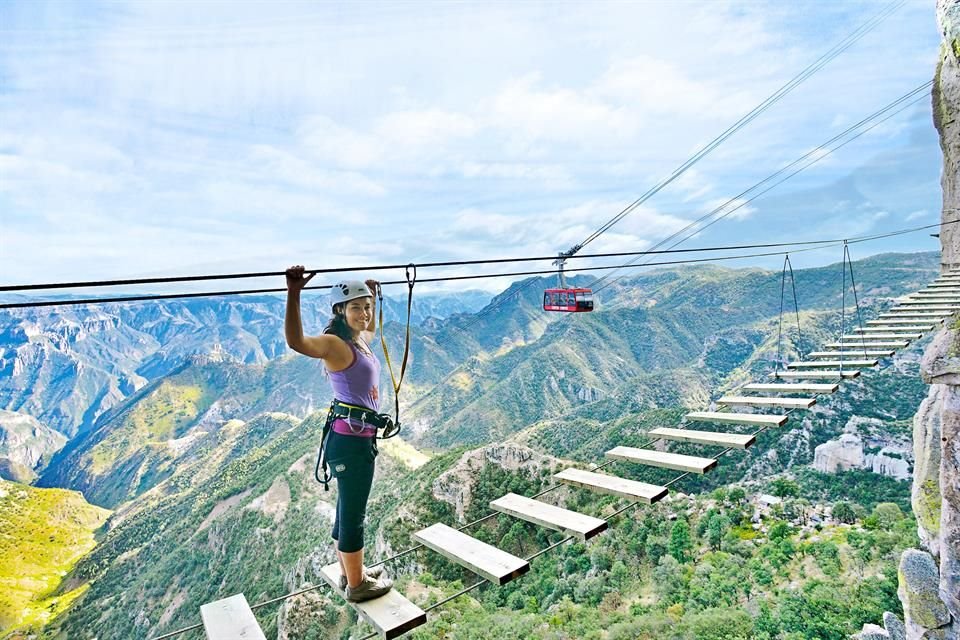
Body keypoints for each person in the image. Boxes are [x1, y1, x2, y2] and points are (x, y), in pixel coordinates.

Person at [284, 265, 393, 603]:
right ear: (340, 310)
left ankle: (351, 572)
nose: (365, 313)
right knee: (353, 514)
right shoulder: (334, 344)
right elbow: (296, 341)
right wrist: (294, 291)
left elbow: (370, 329)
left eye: (367, 307)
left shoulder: (358, 341)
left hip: (353, 438)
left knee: (347, 508)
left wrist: (375, 296)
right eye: (356, 307)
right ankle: (357, 586)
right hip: (351, 443)